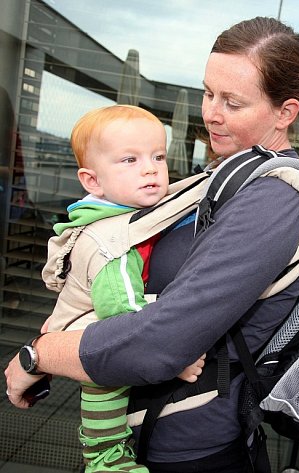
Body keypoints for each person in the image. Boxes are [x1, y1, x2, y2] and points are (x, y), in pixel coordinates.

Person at [5, 17, 299, 473]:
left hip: (193, 447)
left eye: (233, 102)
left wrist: (39, 355)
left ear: (285, 112)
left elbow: (159, 343)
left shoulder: (274, 197)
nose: (211, 113)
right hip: (157, 430)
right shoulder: (227, 174)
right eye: (209, 93)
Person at [38, 104, 206, 473]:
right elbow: (125, 317)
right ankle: (105, 460)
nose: (150, 168)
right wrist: (172, 358)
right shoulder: (110, 241)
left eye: (158, 156)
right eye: (129, 160)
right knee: (106, 391)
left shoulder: (125, 211)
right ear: (92, 181)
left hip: (87, 328)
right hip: (91, 334)